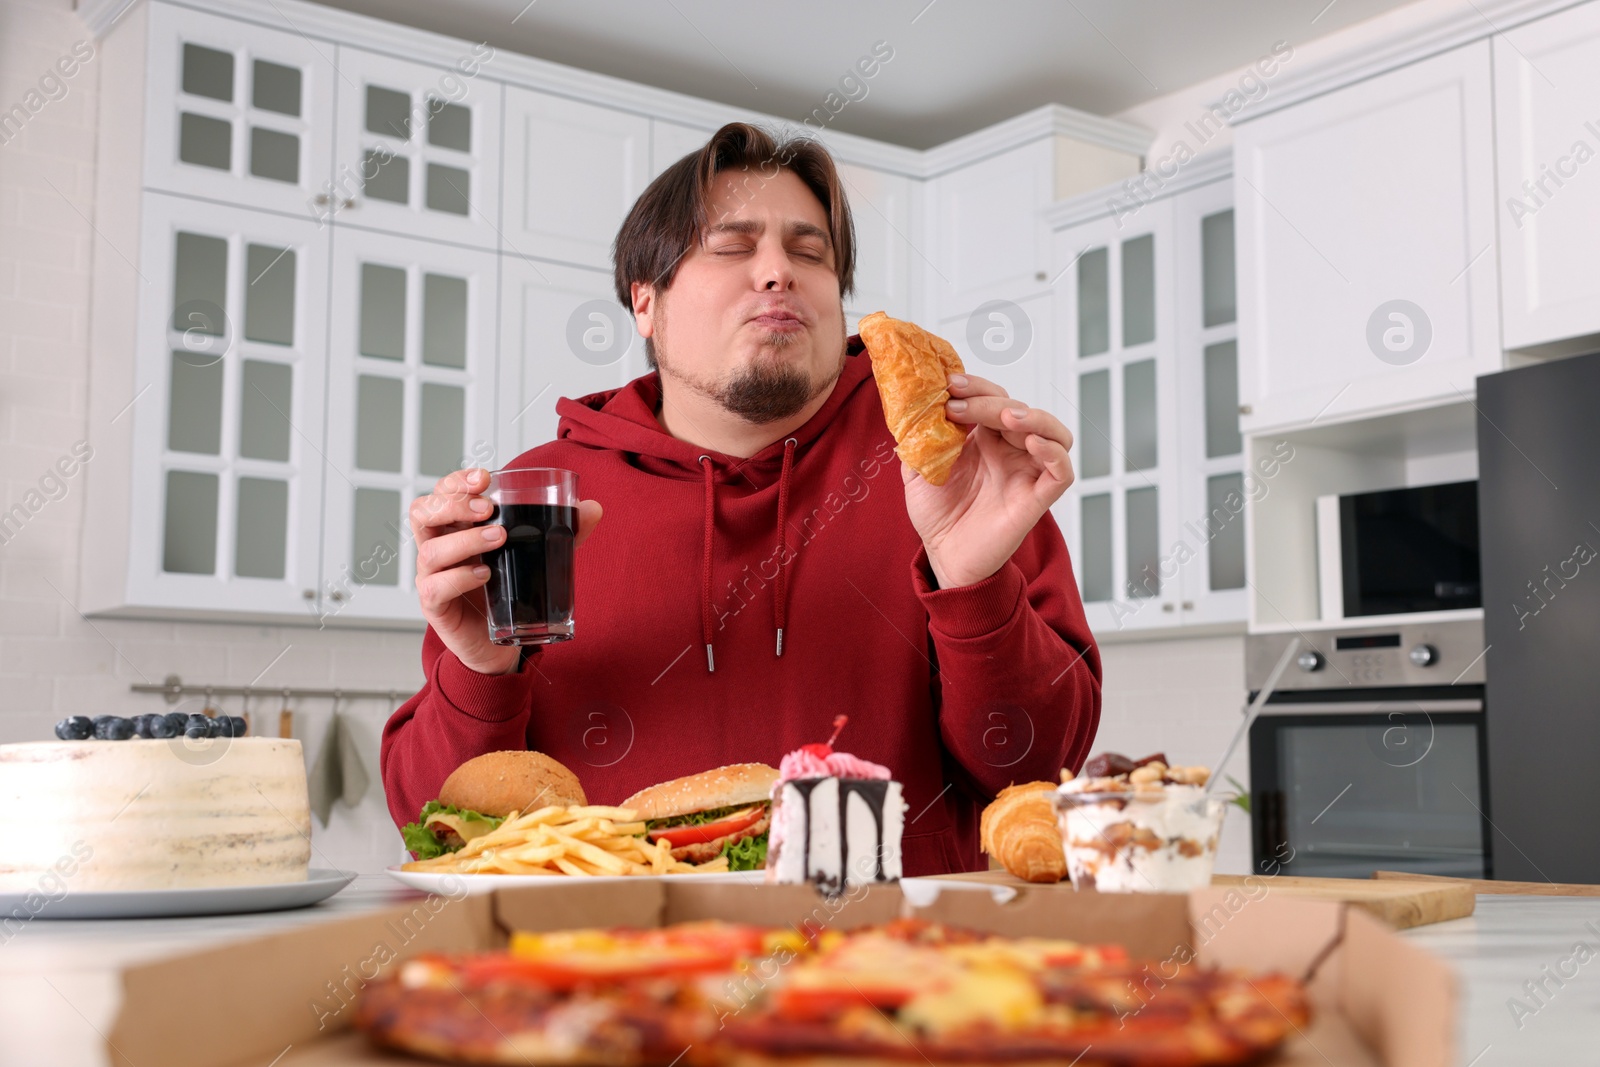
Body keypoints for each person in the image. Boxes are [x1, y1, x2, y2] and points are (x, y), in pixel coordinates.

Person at [380, 121, 1101, 875]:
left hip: (895, 963)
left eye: (809, 251)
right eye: (732, 245)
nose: (777, 273)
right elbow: (432, 828)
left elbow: (1038, 769)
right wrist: (478, 672)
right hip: (615, 966)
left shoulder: (954, 467)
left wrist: (975, 589)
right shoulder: (542, 505)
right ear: (644, 304)